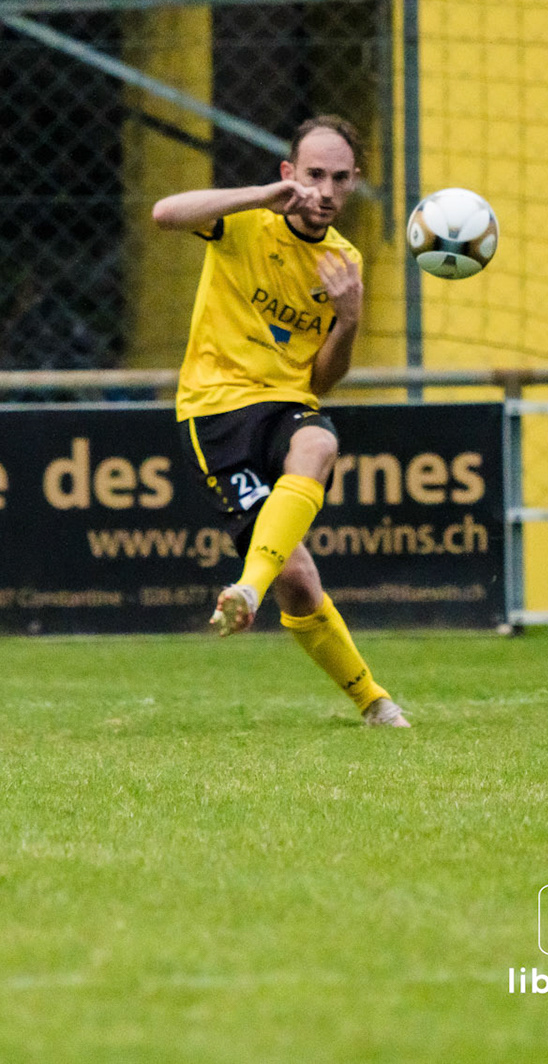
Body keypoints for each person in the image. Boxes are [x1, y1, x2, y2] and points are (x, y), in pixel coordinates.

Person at [150, 114, 410, 728]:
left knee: (318, 441)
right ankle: (368, 696)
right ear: (290, 172)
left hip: (286, 402)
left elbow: (320, 381)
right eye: (314, 174)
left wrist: (350, 319)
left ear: (353, 182)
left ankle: (249, 591)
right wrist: (260, 195)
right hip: (215, 408)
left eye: (339, 179)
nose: (326, 191)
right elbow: (164, 214)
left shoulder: (344, 262)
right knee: (297, 577)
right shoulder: (244, 220)